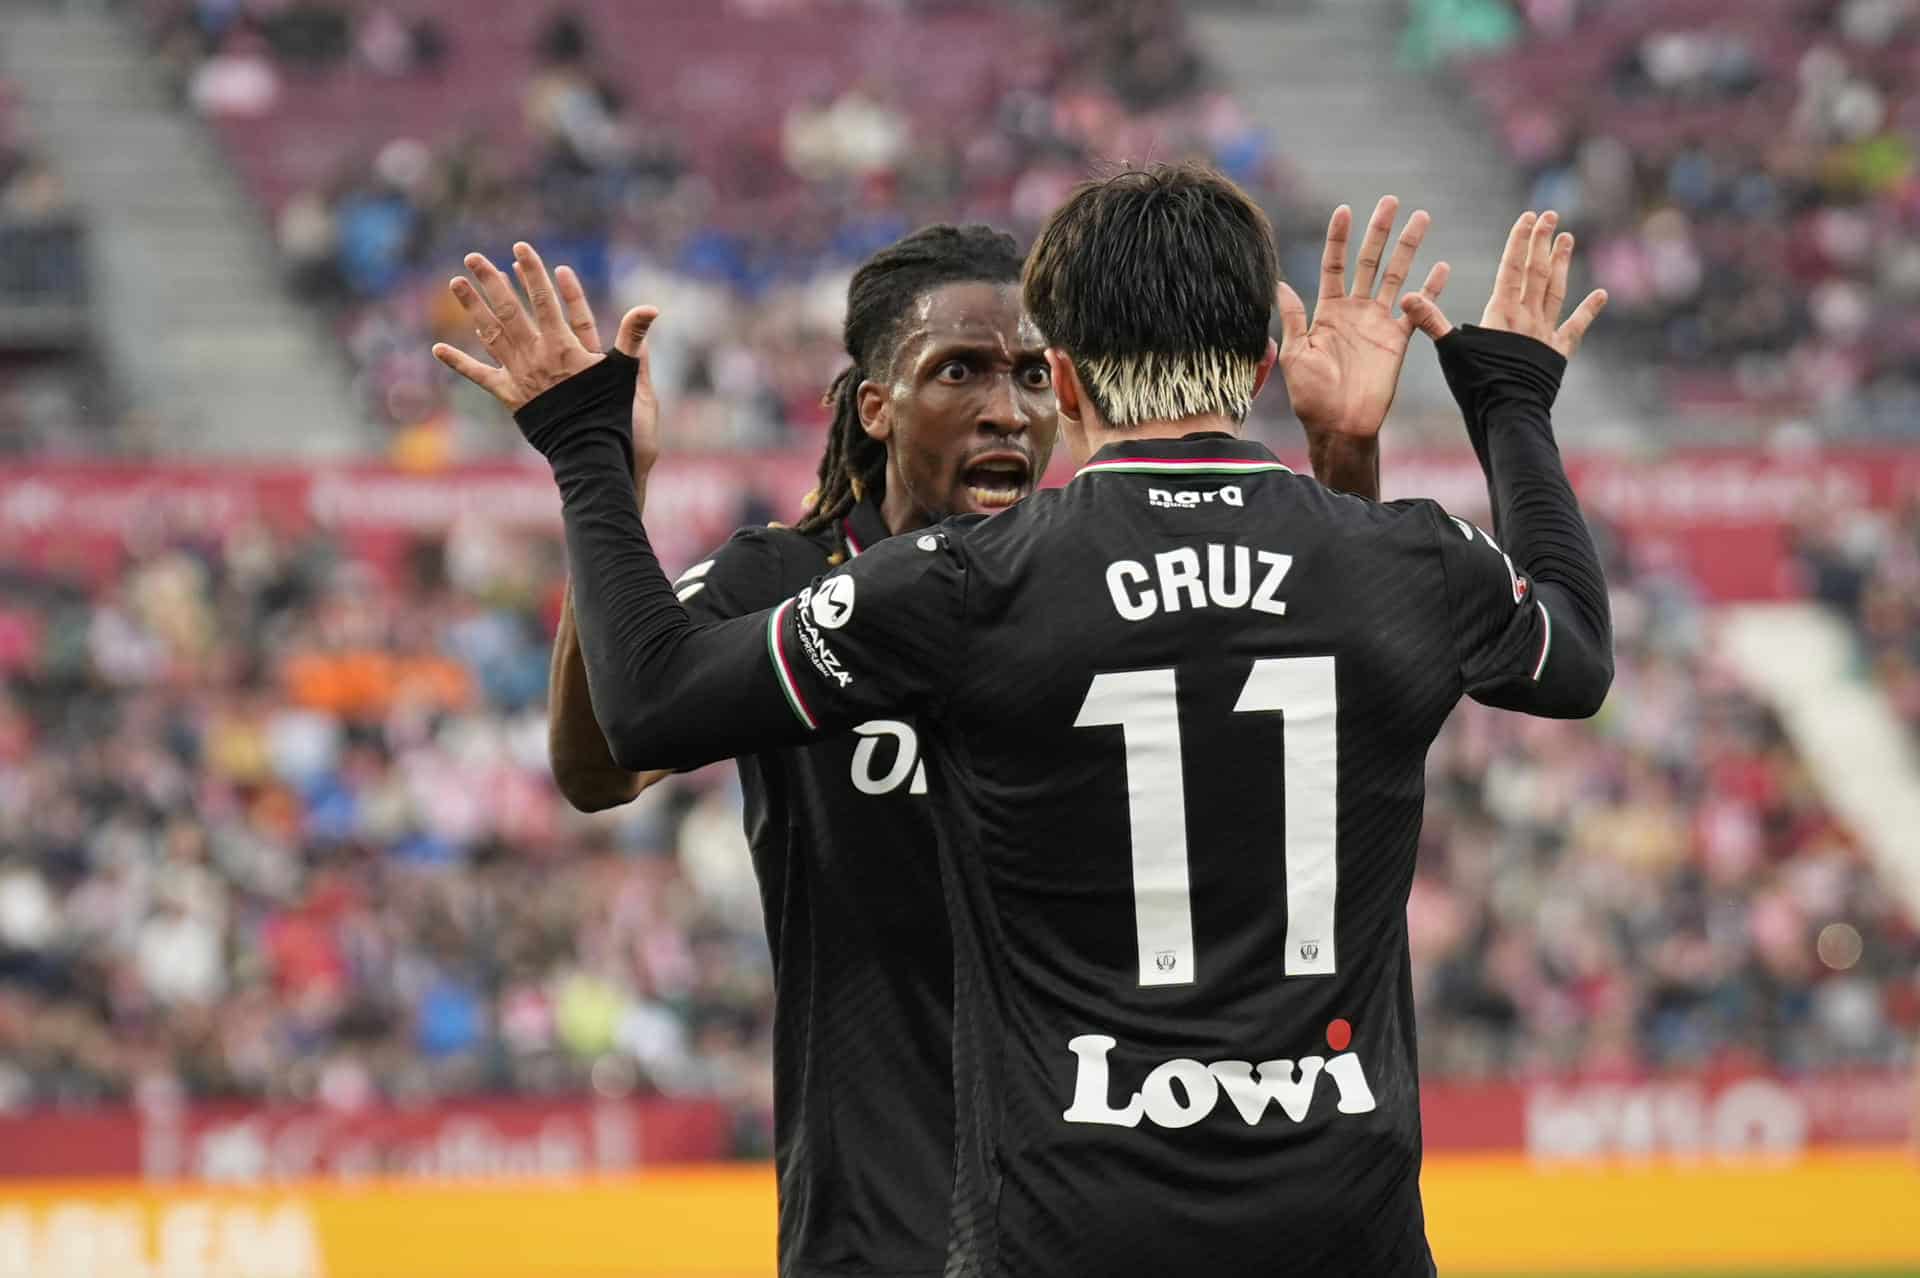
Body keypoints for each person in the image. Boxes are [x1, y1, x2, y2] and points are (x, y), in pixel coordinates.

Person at [435, 196, 1444, 1277]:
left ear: (1069, 386)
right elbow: (598, 762)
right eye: (959, 371)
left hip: (1093, 1201)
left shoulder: (1092, 589)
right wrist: (609, 487)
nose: (1004, 410)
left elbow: (1327, 667)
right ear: (875, 404)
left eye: (1024, 373)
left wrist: (1342, 454)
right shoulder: (780, 583)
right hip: (880, 1217)